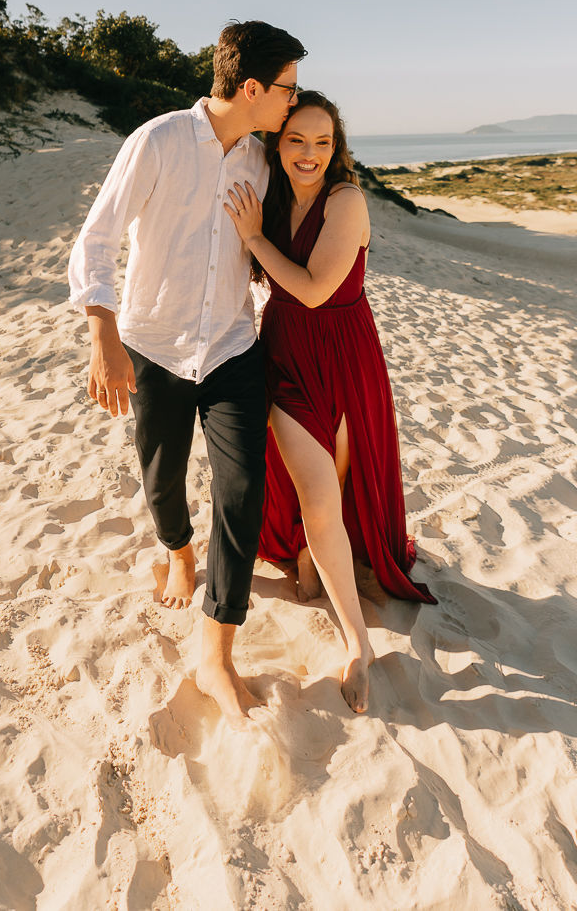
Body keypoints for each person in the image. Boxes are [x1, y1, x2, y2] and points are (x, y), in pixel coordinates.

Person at [68, 20, 306, 725]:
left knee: (242, 489)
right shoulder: (160, 139)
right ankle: (177, 550)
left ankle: (217, 650)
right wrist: (102, 335)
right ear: (254, 87)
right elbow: (97, 238)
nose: (292, 102)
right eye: (286, 90)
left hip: (233, 346)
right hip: (156, 347)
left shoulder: (262, 164)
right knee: (161, 477)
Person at [224, 90, 435, 714]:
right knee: (318, 498)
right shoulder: (272, 195)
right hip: (285, 356)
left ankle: (319, 573)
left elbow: (315, 290)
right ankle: (357, 644)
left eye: (322, 142)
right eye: (296, 140)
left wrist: (256, 240)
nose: (310, 153)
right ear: (277, 144)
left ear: (336, 147)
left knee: (338, 490)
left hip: (343, 354)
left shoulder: (348, 201)